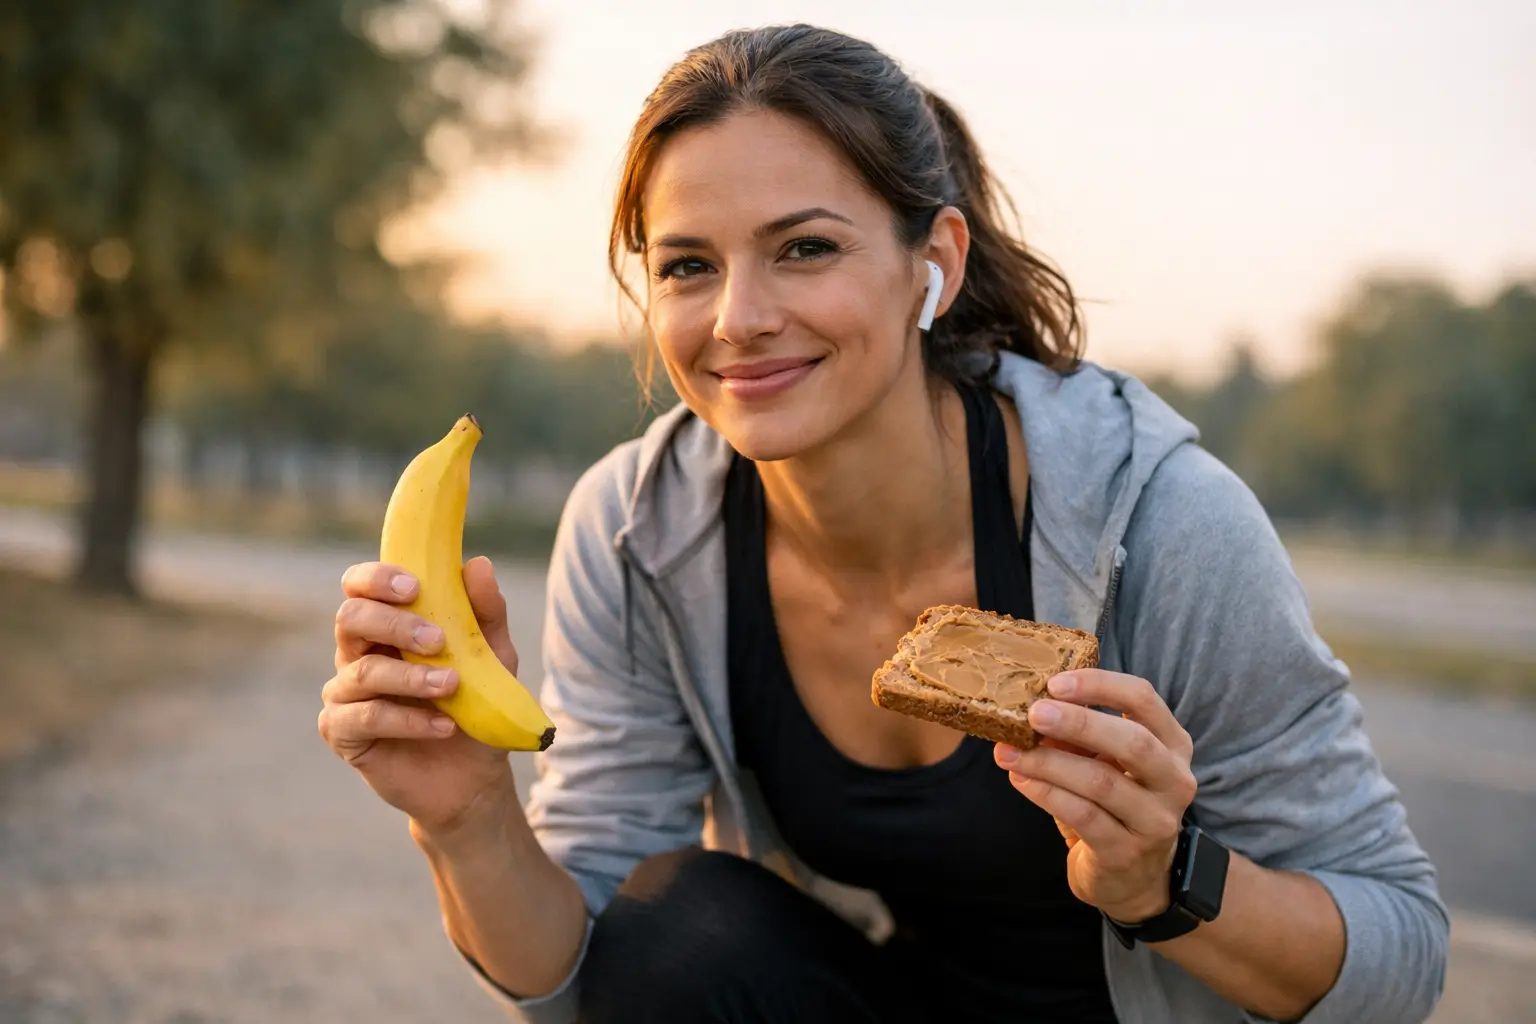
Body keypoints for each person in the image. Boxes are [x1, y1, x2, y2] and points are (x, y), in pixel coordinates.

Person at [318, 23, 1447, 1024]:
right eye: (688, 266)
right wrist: (467, 818)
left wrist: (1163, 878)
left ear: (933, 264)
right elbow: (592, 979)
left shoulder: (1161, 520)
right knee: (677, 929)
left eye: (805, 248)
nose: (739, 318)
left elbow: (1402, 956)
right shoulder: (634, 530)